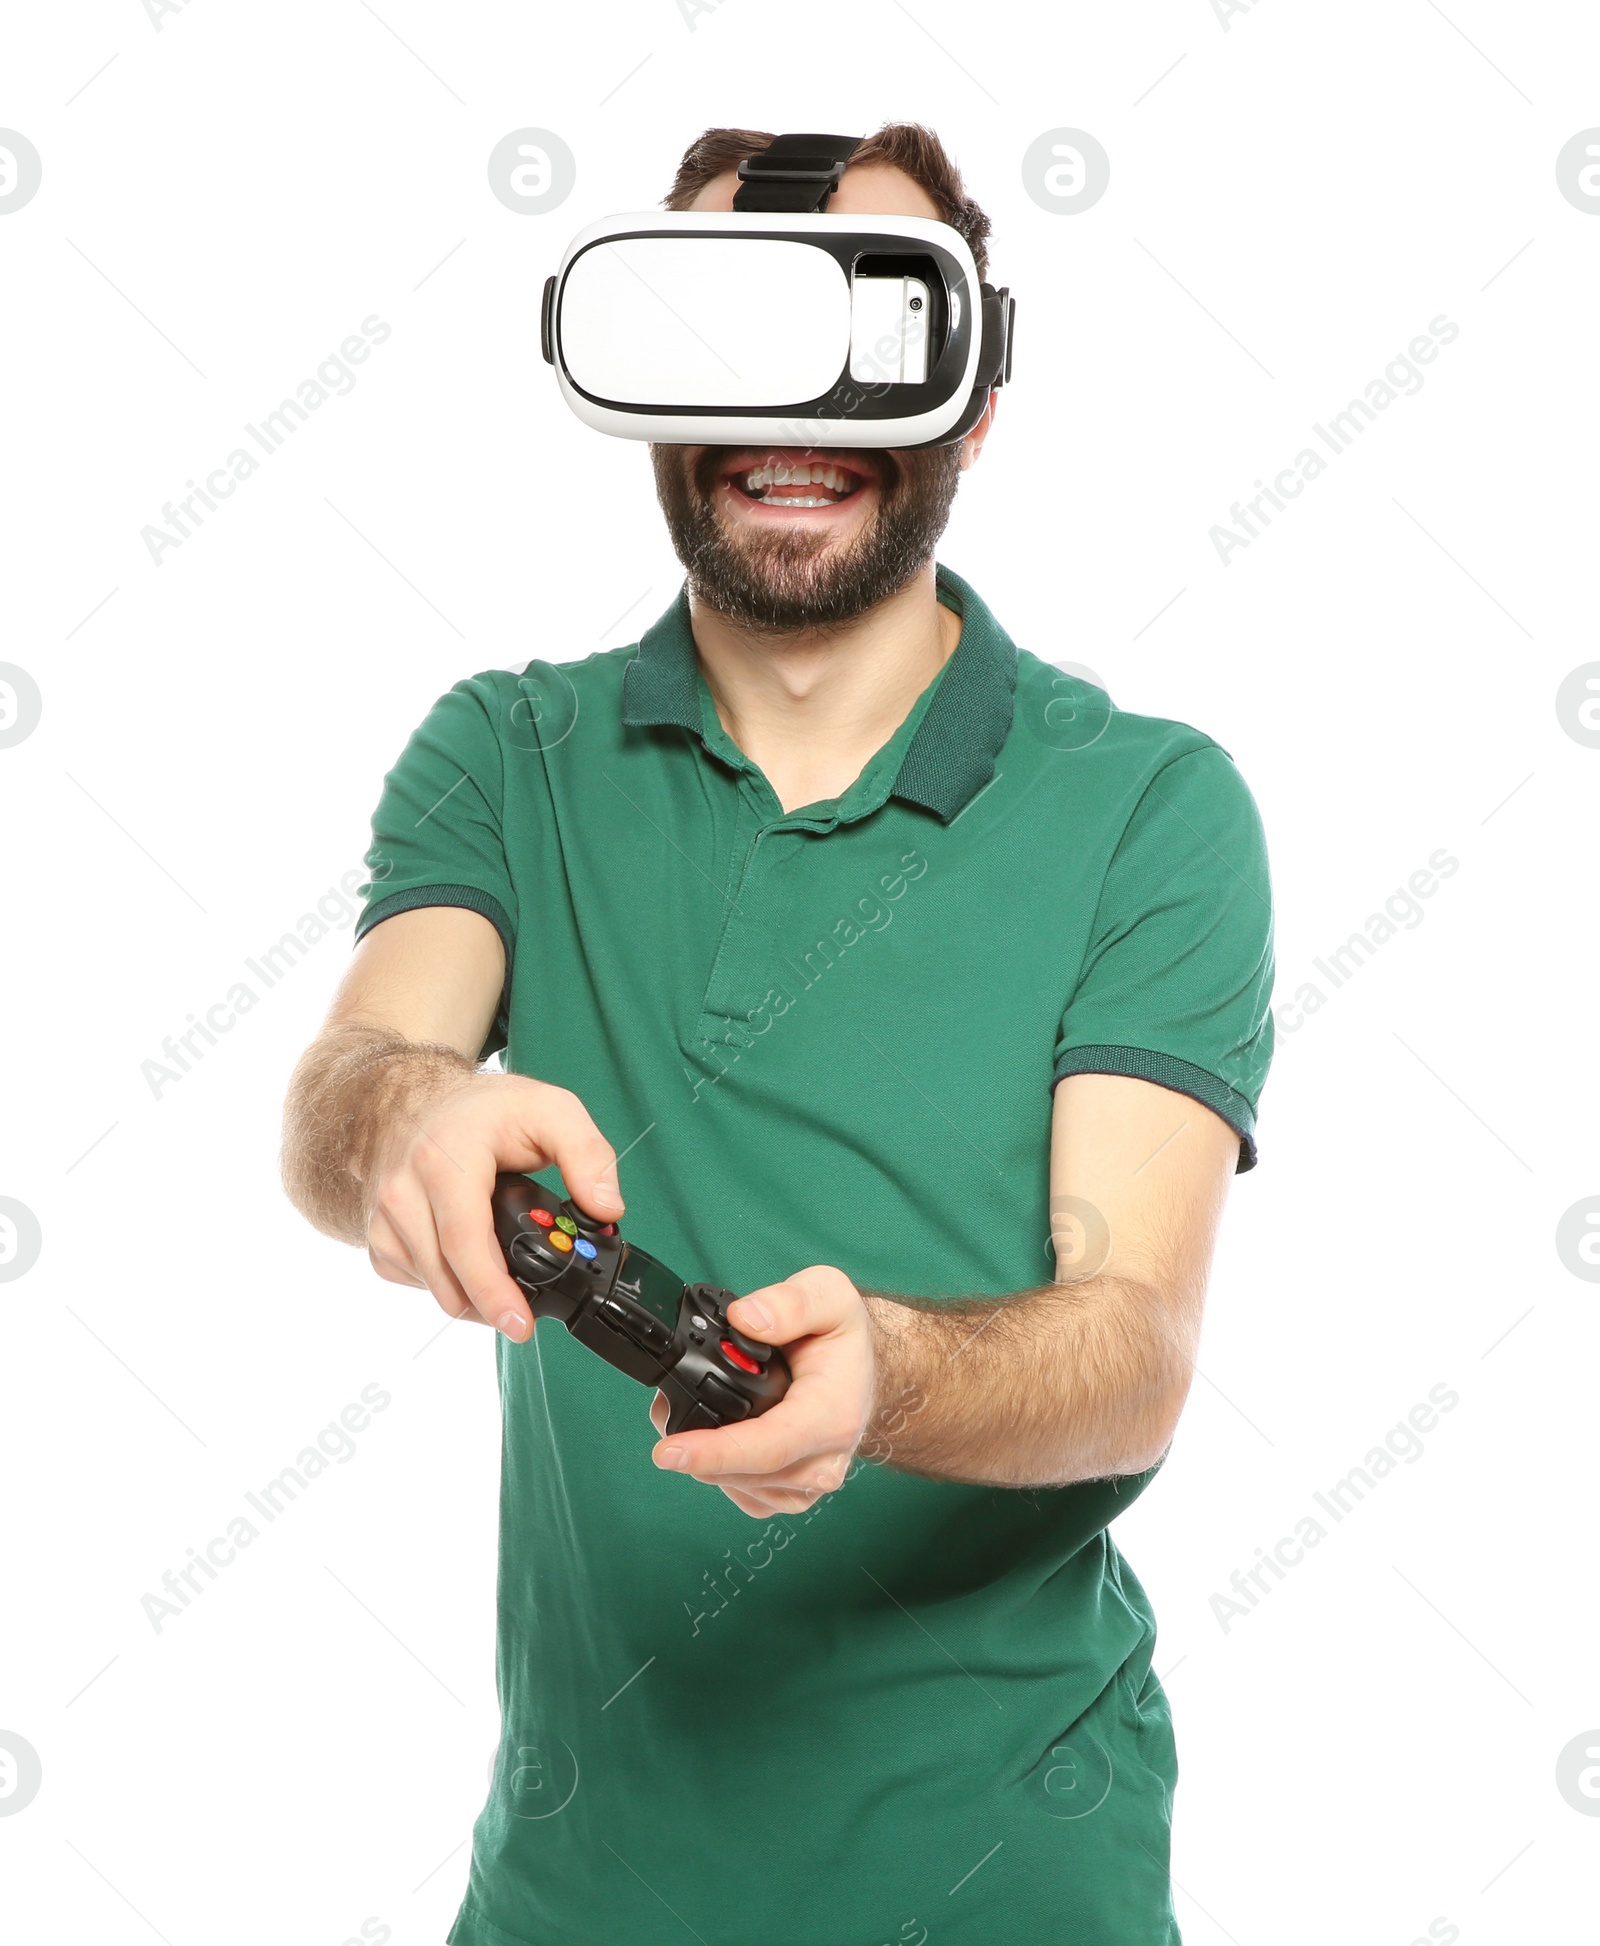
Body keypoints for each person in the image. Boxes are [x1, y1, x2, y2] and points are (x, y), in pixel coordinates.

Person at [282, 122, 1274, 1946]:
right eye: (728, 338)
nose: (793, 412)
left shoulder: (1150, 804)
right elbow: (348, 1086)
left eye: (872, 337)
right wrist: (408, 1107)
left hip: (1010, 1893)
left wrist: (890, 1368)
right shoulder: (508, 754)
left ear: (972, 398)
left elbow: (1136, 1339)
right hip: (577, 1893)